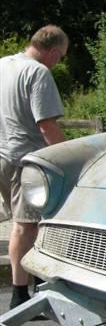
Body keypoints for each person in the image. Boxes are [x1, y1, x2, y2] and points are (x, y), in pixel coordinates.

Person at [0, 25, 67, 309]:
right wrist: (68, 156)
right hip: (25, 162)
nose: (59, 62)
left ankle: (38, 284)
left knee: (35, 224)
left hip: (2, 155)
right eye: (61, 57)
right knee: (25, 227)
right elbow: (46, 125)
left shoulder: (3, 65)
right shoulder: (38, 72)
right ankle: (19, 295)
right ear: (52, 51)